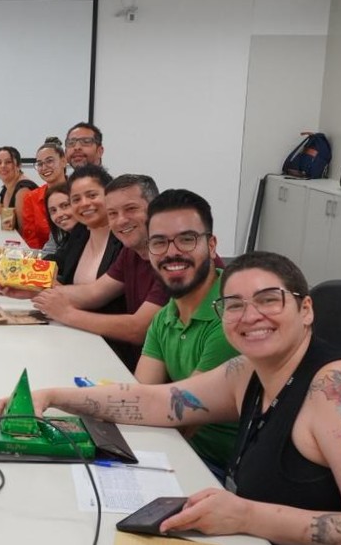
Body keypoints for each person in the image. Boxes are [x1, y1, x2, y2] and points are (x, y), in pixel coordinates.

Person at [0, 251, 341, 545]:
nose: (250, 316)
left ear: (305, 310)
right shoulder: (249, 372)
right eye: (234, 305)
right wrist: (53, 395)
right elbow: (159, 402)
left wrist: (246, 517)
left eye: (269, 300)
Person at [135, 189, 240, 477]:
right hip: (180, 450)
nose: (172, 252)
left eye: (186, 239)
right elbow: (141, 396)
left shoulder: (232, 317)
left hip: (221, 471)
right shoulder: (165, 316)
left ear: (212, 245)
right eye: (159, 242)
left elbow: (182, 417)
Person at [28, 174, 167, 370]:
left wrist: (67, 314)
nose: (121, 220)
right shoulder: (129, 251)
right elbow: (93, 292)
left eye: (131, 209)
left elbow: (139, 329)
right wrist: (28, 285)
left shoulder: (170, 257)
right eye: (113, 213)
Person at [18, 137, 68, 250]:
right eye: (40, 164)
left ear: (64, 161)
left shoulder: (78, 193)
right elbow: (31, 241)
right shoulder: (32, 197)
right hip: (42, 256)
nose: (44, 167)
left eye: (49, 161)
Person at [0, 145, 37, 231]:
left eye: (8, 162)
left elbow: (24, 231)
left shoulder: (23, 190)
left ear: (18, 165)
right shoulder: (6, 188)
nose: (2, 166)